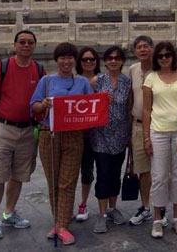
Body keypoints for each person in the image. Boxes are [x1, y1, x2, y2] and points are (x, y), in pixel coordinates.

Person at [0, 30, 44, 241]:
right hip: (4, 129)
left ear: (34, 46)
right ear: (15, 45)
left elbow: (43, 97)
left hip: (28, 130)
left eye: (30, 42)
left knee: (19, 175)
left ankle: (9, 213)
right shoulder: (1, 67)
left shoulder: (39, 69)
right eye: (22, 42)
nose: (26, 45)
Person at [30, 42, 93, 246]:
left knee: (67, 181)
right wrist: (45, 104)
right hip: (50, 134)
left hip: (73, 135)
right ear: (56, 60)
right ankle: (57, 221)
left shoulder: (83, 82)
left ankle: (63, 225)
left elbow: (92, 107)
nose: (66, 62)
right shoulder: (46, 81)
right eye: (62, 58)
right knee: (53, 180)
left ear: (75, 60)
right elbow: (34, 106)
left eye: (70, 57)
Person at [142, 41, 177, 239]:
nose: (164, 58)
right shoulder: (151, 78)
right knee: (159, 176)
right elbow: (147, 109)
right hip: (158, 131)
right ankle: (157, 219)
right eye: (160, 55)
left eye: (167, 55)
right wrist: (146, 137)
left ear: (173, 56)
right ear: (156, 59)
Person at [90, 45, 132, 234]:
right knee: (103, 173)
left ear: (122, 61)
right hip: (100, 135)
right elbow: (86, 103)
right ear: (105, 61)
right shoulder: (96, 81)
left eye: (117, 58)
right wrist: (99, 97)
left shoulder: (127, 82)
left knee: (116, 173)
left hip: (120, 134)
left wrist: (130, 134)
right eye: (110, 58)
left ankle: (113, 208)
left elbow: (129, 109)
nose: (113, 61)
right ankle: (101, 213)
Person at [127, 35, 155, 225]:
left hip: (159, 126)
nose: (143, 50)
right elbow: (130, 97)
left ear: (152, 48)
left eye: (146, 46)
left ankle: (162, 207)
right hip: (137, 125)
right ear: (135, 51)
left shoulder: (163, 66)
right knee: (142, 170)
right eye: (139, 47)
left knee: (162, 170)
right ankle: (146, 207)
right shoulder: (132, 69)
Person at [74, 46, 100, 222]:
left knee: (92, 171)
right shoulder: (73, 81)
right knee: (73, 171)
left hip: (99, 133)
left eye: (91, 59)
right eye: (84, 59)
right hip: (77, 134)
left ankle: (87, 203)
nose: (88, 62)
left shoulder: (103, 80)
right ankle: (73, 204)